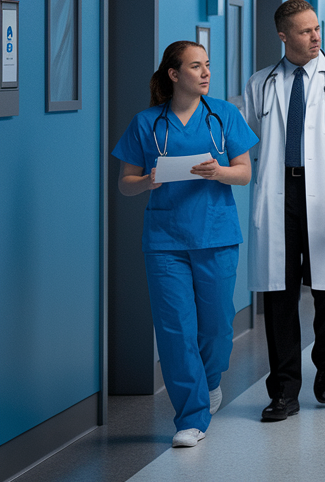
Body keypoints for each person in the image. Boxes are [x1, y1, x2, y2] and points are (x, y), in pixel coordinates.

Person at [113, 41, 256, 448]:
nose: (206, 72)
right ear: (174, 75)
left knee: (216, 328)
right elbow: (126, 183)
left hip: (216, 234)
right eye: (196, 66)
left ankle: (210, 382)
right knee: (176, 331)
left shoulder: (224, 115)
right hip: (165, 241)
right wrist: (148, 181)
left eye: (207, 65)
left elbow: (244, 173)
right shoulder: (147, 122)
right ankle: (190, 418)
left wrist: (218, 172)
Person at [243, 0, 325, 422]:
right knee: (278, 296)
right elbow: (240, 136)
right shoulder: (259, 83)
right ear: (283, 36)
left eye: (317, 29)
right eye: (305, 31)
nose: (315, 37)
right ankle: (283, 390)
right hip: (278, 194)